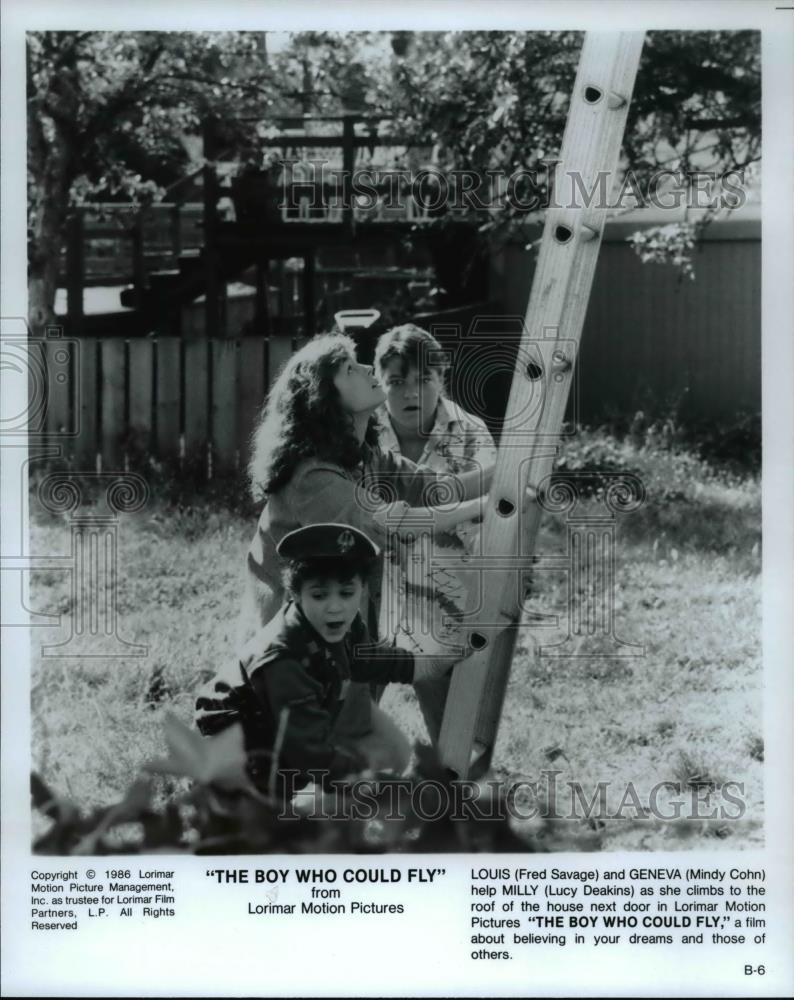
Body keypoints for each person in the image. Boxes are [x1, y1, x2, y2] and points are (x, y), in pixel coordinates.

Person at [242, 332, 492, 750]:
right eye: (350, 369)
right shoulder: (314, 475)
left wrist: (512, 468)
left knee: (342, 730)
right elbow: (396, 525)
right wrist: (483, 504)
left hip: (343, 612)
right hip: (290, 628)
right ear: (327, 397)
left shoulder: (364, 454)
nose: (365, 371)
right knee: (291, 742)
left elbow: (436, 489)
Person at [197, 524, 458, 799]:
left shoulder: (343, 622)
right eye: (319, 595)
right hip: (239, 758)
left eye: (346, 593)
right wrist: (401, 791)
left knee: (379, 765)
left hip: (284, 740)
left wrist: (428, 665)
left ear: (362, 589)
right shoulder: (282, 660)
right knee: (326, 808)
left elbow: (368, 659)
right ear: (295, 594)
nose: (335, 606)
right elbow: (310, 755)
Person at [374, 324, 499, 742]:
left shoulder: (469, 432)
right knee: (352, 675)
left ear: (441, 378)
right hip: (375, 581)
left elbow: (488, 517)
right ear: (379, 383)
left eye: (423, 380)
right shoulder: (364, 432)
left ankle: (452, 775)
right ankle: (338, 772)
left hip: (444, 584)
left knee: (443, 693)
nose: (411, 394)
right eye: (396, 382)